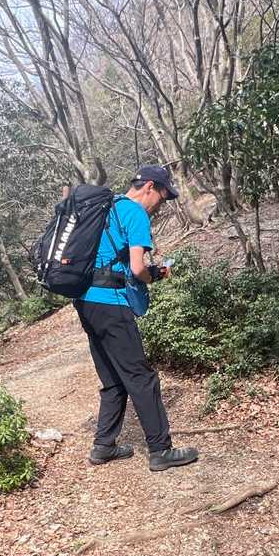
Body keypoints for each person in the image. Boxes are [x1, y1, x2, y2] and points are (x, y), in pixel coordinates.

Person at [75, 164, 199, 472]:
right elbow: (136, 268)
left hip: (86, 301)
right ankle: (160, 450)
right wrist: (154, 274)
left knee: (112, 377)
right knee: (141, 377)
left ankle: (104, 446)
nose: (161, 205)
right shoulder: (134, 213)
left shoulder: (105, 208)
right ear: (150, 187)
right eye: (163, 197)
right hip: (111, 302)